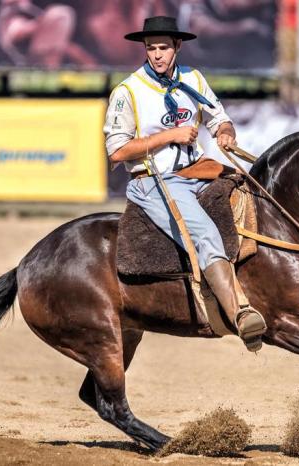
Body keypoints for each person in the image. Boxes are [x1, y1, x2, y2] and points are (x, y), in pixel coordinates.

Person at [103, 16, 266, 351]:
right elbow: (117, 151)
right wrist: (170, 136)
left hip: (197, 171)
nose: (157, 54)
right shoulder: (127, 91)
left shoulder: (193, 78)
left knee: (253, 195)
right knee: (205, 233)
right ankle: (240, 314)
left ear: (178, 46)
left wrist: (224, 134)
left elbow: (220, 118)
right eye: (151, 48)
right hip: (153, 181)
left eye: (164, 47)